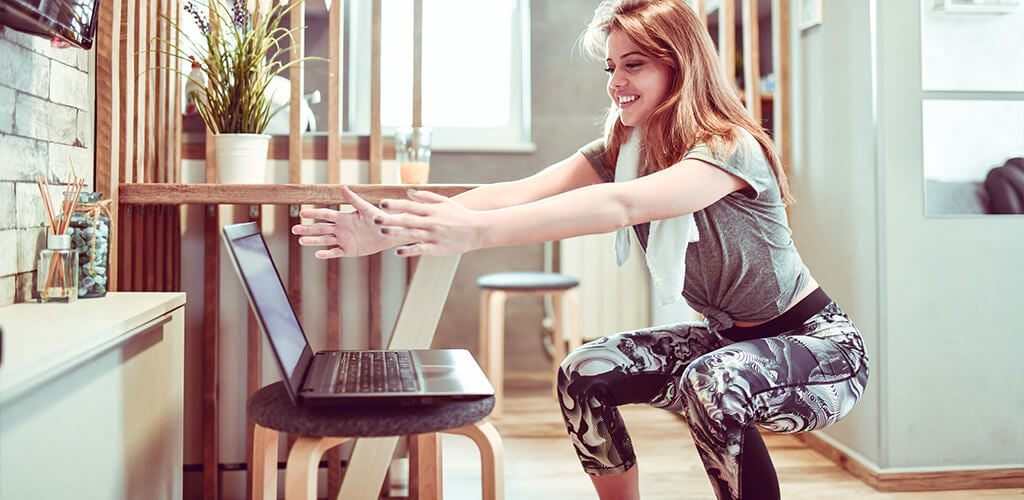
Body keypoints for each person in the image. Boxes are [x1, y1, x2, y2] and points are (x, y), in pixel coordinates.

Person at [290, 0, 869, 498]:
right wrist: (390, 229)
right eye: (611, 66)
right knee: (582, 372)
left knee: (712, 384)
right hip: (727, 341)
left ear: (681, 65)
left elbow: (623, 206)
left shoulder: (729, 146)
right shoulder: (626, 148)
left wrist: (475, 236)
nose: (616, 81)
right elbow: (516, 192)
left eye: (634, 65)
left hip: (818, 347)